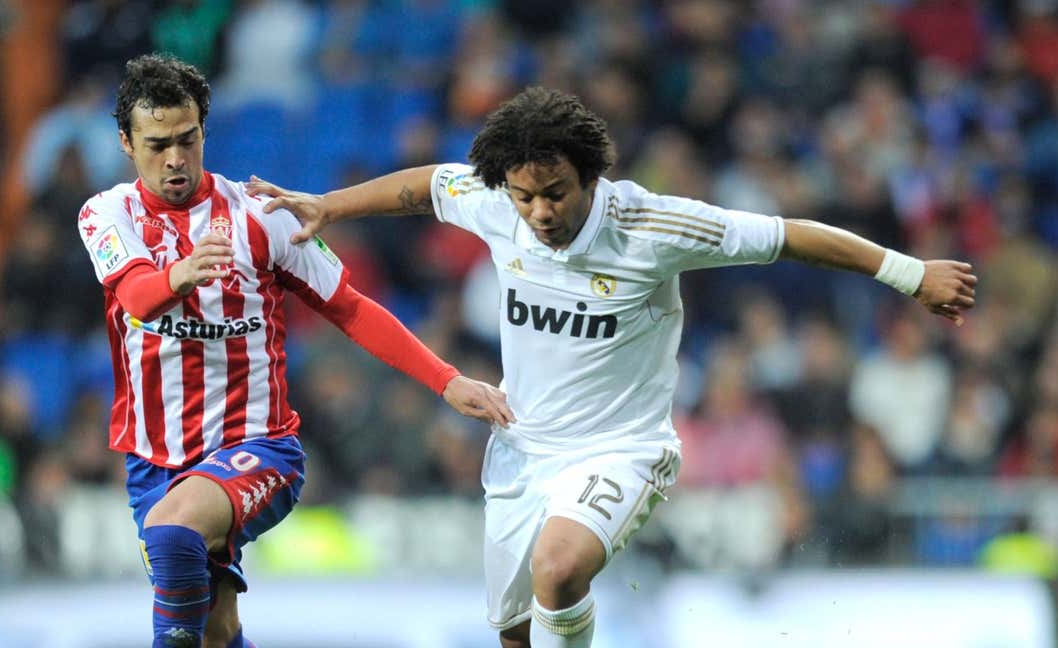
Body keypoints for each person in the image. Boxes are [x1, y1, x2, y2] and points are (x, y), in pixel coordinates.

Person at [246, 86, 977, 648]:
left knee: (558, 570)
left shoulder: (654, 228)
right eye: (525, 196)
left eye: (555, 192)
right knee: (514, 633)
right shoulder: (498, 202)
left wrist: (909, 274)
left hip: (622, 449)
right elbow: (426, 187)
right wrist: (329, 208)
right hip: (522, 449)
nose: (538, 212)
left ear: (590, 176)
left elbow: (791, 236)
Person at [77, 54, 513, 648]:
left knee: (173, 533)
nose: (175, 159)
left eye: (187, 139)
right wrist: (182, 274)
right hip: (153, 459)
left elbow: (351, 307)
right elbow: (136, 296)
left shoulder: (262, 219)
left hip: (258, 448)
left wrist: (446, 380)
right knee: (217, 631)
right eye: (157, 145)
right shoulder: (106, 214)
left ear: (205, 130)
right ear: (127, 144)